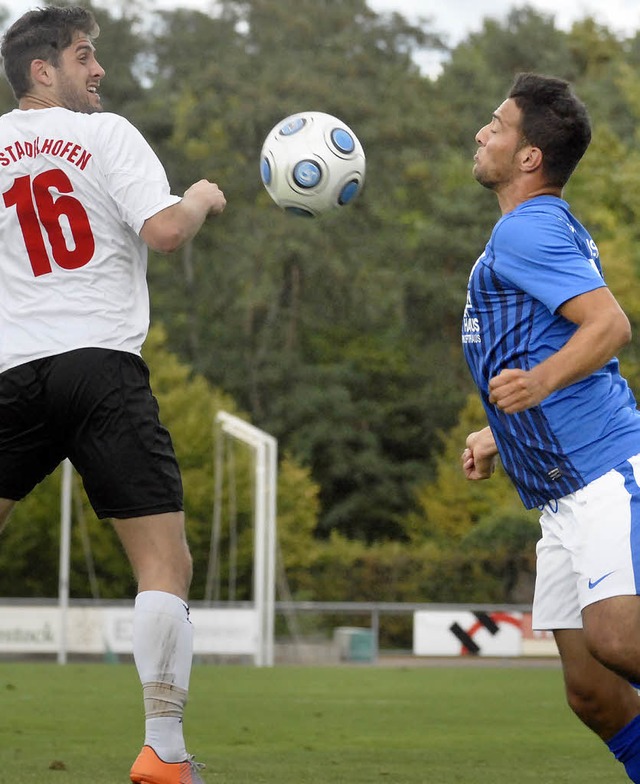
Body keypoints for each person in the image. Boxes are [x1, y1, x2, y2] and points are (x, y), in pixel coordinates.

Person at [0, 7, 226, 784]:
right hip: (98, 365)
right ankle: (163, 751)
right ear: (41, 70)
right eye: (84, 55)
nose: (97, 70)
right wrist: (199, 196)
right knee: (164, 564)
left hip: (10, 374)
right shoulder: (107, 134)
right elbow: (164, 232)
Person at [461, 70, 640, 781]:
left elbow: (608, 325)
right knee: (592, 691)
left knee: (620, 641)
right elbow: (532, 346)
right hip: (558, 494)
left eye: (497, 125)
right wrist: (497, 433)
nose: (483, 132)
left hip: (601, 470)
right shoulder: (527, 229)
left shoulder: (528, 228)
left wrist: (539, 383)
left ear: (530, 156)